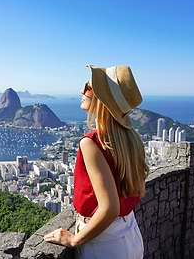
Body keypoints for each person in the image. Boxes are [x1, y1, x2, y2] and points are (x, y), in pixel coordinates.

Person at [43, 64, 149, 259]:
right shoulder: (132, 139)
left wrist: (74, 240)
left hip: (103, 244)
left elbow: (109, 209)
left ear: (102, 99)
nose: (82, 91)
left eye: (88, 87)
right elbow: (136, 188)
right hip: (130, 234)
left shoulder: (91, 143)